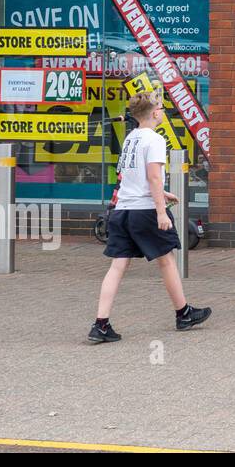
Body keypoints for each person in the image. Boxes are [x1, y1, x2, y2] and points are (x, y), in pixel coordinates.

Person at [88, 91, 211, 344]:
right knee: (166, 260)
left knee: (117, 266)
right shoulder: (154, 139)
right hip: (144, 211)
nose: (164, 111)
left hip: (123, 211)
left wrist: (163, 193)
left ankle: (100, 324)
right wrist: (161, 210)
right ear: (155, 113)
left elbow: (133, 177)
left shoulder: (131, 138)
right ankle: (183, 313)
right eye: (162, 108)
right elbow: (153, 176)